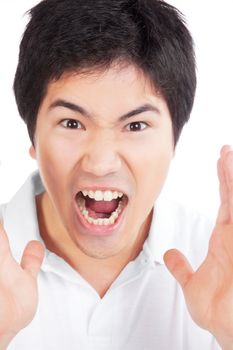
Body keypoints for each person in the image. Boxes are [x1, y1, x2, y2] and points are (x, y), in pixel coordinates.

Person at [1, 0, 233, 349]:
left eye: (136, 125)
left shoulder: (219, 264)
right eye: (72, 123)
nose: (100, 162)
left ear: (174, 142)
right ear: (33, 138)